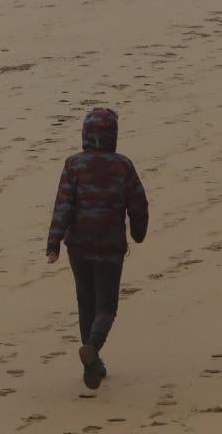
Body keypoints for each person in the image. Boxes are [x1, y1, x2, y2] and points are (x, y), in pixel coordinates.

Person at [46, 108, 149, 390]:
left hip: (78, 247)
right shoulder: (122, 166)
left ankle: (92, 362)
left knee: (85, 302)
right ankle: (92, 348)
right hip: (109, 247)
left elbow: (63, 206)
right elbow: (138, 204)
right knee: (106, 306)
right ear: (113, 135)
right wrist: (138, 233)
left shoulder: (73, 165)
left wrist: (53, 243)